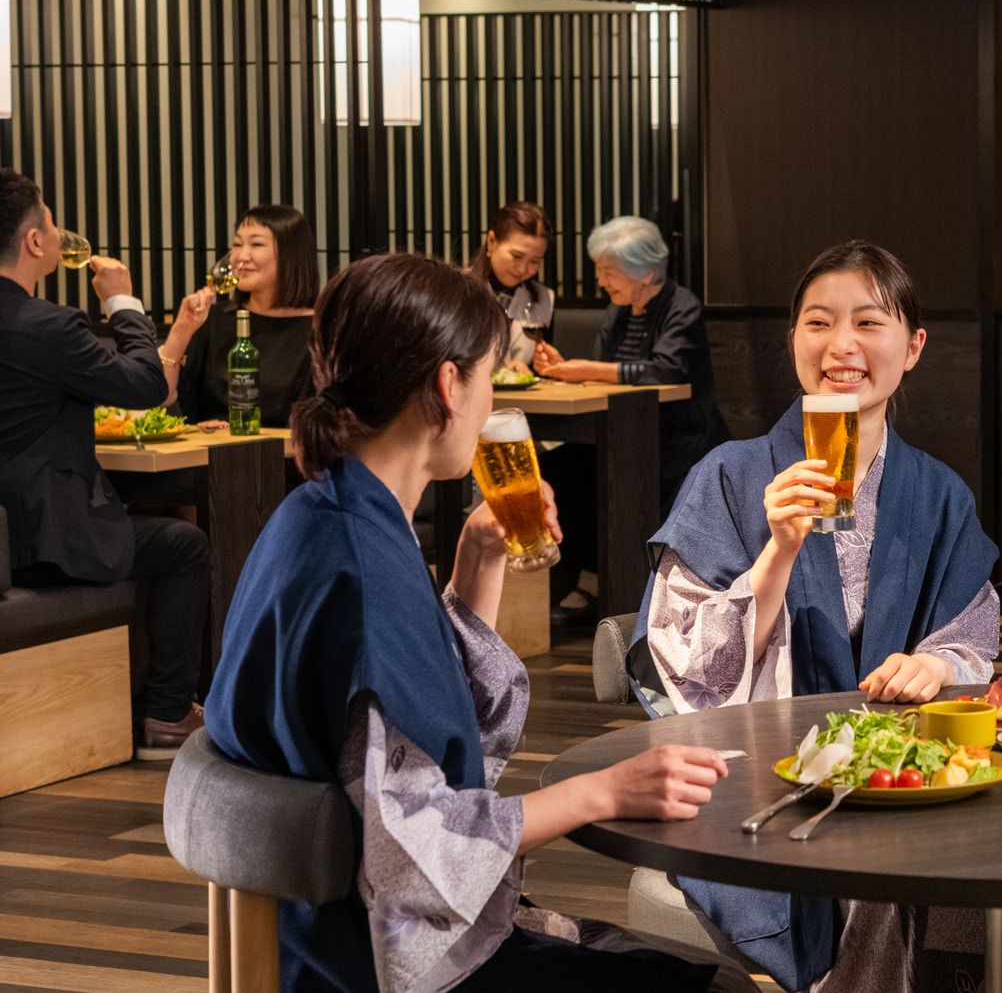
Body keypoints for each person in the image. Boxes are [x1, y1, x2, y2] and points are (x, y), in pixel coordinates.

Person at [203, 252, 724, 993]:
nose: (487, 403)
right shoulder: (360, 565)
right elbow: (419, 852)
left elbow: (415, 735)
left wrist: (477, 563)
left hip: (325, 932)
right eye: (486, 376)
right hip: (379, 962)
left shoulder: (322, 514)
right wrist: (606, 790)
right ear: (448, 386)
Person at [626, 240, 1000, 992]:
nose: (842, 347)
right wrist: (779, 550)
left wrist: (938, 664)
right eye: (818, 323)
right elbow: (681, 660)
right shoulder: (728, 477)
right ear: (791, 340)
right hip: (762, 787)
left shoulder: (939, 494)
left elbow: (971, 637)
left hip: (905, 785)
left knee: (972, 879)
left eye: (869, 322)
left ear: (914, 346)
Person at [0, 168, 211, 759]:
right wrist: (122, 298)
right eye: (49, 218)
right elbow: (145, 384)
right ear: (37, 242)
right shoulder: (47, 327)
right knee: (183, 544)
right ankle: (168, 713)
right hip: (42, 540)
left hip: (5, 536)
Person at [534, 216, 730, 614]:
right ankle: (589, 576)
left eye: (609, 272)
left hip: (678, 439)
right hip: (619, 433)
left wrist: (583, 368)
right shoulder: (618, 311)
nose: (602, 282)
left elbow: (666, 369)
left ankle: (643, 597)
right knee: (561, 469)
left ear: (646, 272)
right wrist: (564, 368)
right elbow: (606, 372)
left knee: (623, 474)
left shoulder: (682, 307)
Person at [160, 205, 321, 428]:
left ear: (291, 253)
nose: (241, 257)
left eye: (256, 244)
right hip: (212, 456)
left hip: (289, 458)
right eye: (237, 244)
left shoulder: (322, 328)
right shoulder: (213, 320)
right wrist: (180, 332)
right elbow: (164, 401)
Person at [470, 201, 554, 371]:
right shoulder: (457, 289)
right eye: (517, 256)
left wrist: (539, 368)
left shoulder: (544, 297)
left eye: (534, 261)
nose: (523, 269)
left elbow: (543, 371)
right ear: (492, 242)